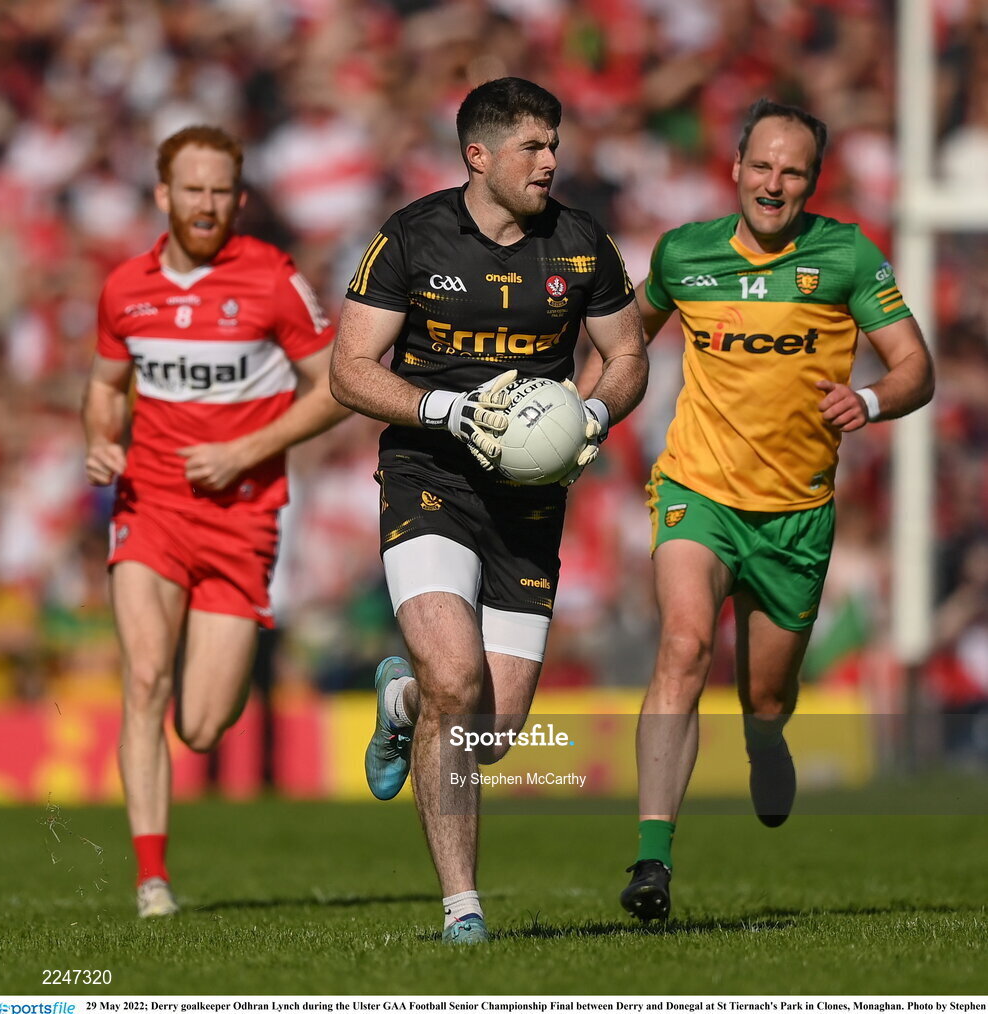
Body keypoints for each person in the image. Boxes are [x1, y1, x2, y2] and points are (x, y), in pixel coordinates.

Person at [329, 77, 648, 944]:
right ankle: (462, 909)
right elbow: (350, 367)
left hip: (530, 500)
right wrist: (445, 410)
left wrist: (593, 411)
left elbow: (627, 354)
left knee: (492, 733)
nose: (551, 161)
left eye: (555, 145)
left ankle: (401, 705)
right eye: (533, 147)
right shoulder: (412, 236)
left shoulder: (582, 242)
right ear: (479, 155)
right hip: (430, 474)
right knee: (458, 680)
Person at [621, 97, 934, 923]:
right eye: (761, 164)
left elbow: (915, 367)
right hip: (698, 490)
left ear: (812, 182)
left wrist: (870, 396)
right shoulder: (683, 254)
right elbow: (625, 343)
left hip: (795, 514)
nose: (774, 182)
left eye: (792, 170)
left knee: (764, 696)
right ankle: (652, 858)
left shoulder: (845, 257)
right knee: (683, 645)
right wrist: (578, 417)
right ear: (734, 168)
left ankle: (764, 735)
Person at [82, 125, 348, 918]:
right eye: (191, 189)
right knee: (144, 680)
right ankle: (151, 879)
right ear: (164, 195)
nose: (206, 204)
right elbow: (104, 386)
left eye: (220, 191)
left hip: (241, 519)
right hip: (151, 506)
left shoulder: (271, 279)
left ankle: (167, 840)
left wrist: (248, 450)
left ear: (239, 198)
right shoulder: (124, 287)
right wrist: (99, 438)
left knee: (198, 727)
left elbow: (335, 386)